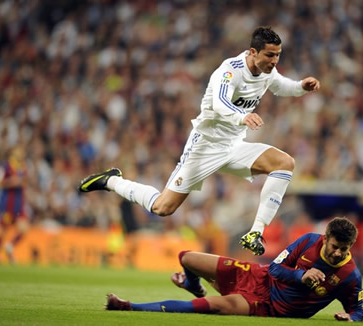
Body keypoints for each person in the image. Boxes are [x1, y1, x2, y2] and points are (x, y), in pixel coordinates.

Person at [78, 26, 320, 255]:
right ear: (253, 52)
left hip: (234, 146)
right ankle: (112, 181)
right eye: (270, 55)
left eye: (278, 55)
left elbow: (281, 85)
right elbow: (219, 102)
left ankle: (255, 232)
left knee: (284, 163)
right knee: (163, 207)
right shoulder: (229, 71)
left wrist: (301, 87)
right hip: (205, 146)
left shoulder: (268, 70)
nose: (275, 60)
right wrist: (242, 116)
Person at [105, 217, 363, 322]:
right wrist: (300, 275)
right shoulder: (309, 240)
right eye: (335, 246)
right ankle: (193, 285)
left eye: (345, 248)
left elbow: (358, 310)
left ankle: (129, 306)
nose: (339, 253)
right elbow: (275, 268)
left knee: (217, 305)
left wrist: (351, 318)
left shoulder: (349, 276)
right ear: (326, 237)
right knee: (187, 257)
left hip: (270, 307)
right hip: (259, 276)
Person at [0, 146, 29, 264]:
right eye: (19, 150)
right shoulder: (6, 166)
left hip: (19, 203)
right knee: (3, 230)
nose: (21, 153)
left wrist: (23, 182)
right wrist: (10, 182)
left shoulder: (23, 167)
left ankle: (9, 246)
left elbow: (25, 182)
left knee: (24, 229)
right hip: (8, 203)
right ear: (12, 152)